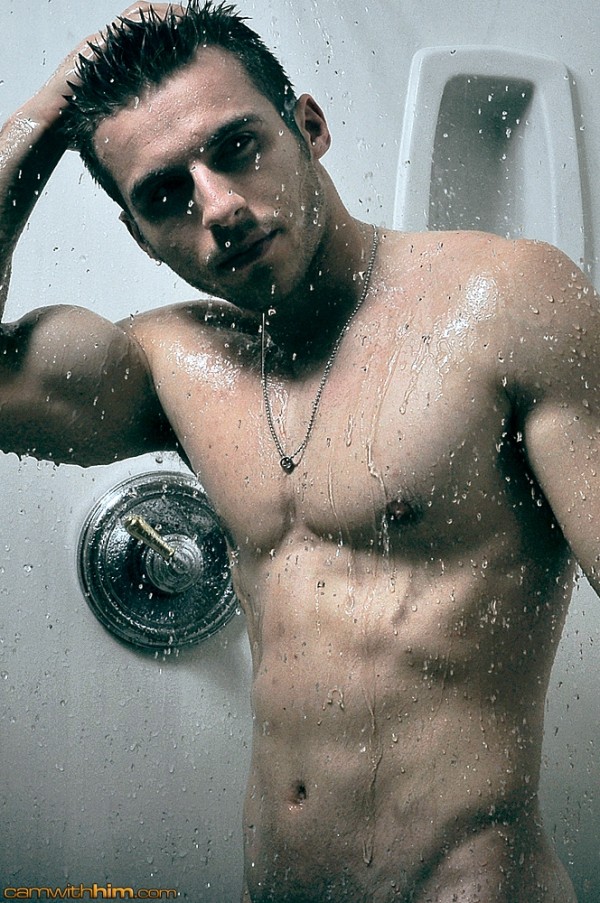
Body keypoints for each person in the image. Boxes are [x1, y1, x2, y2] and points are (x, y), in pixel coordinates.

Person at [1, 2, 598, 900]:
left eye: (237, 147)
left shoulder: (507, 300)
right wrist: (55, 105)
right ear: (137, 233)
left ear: (309, 127)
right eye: (164, 194)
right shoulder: (172, 366)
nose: (220, 207)